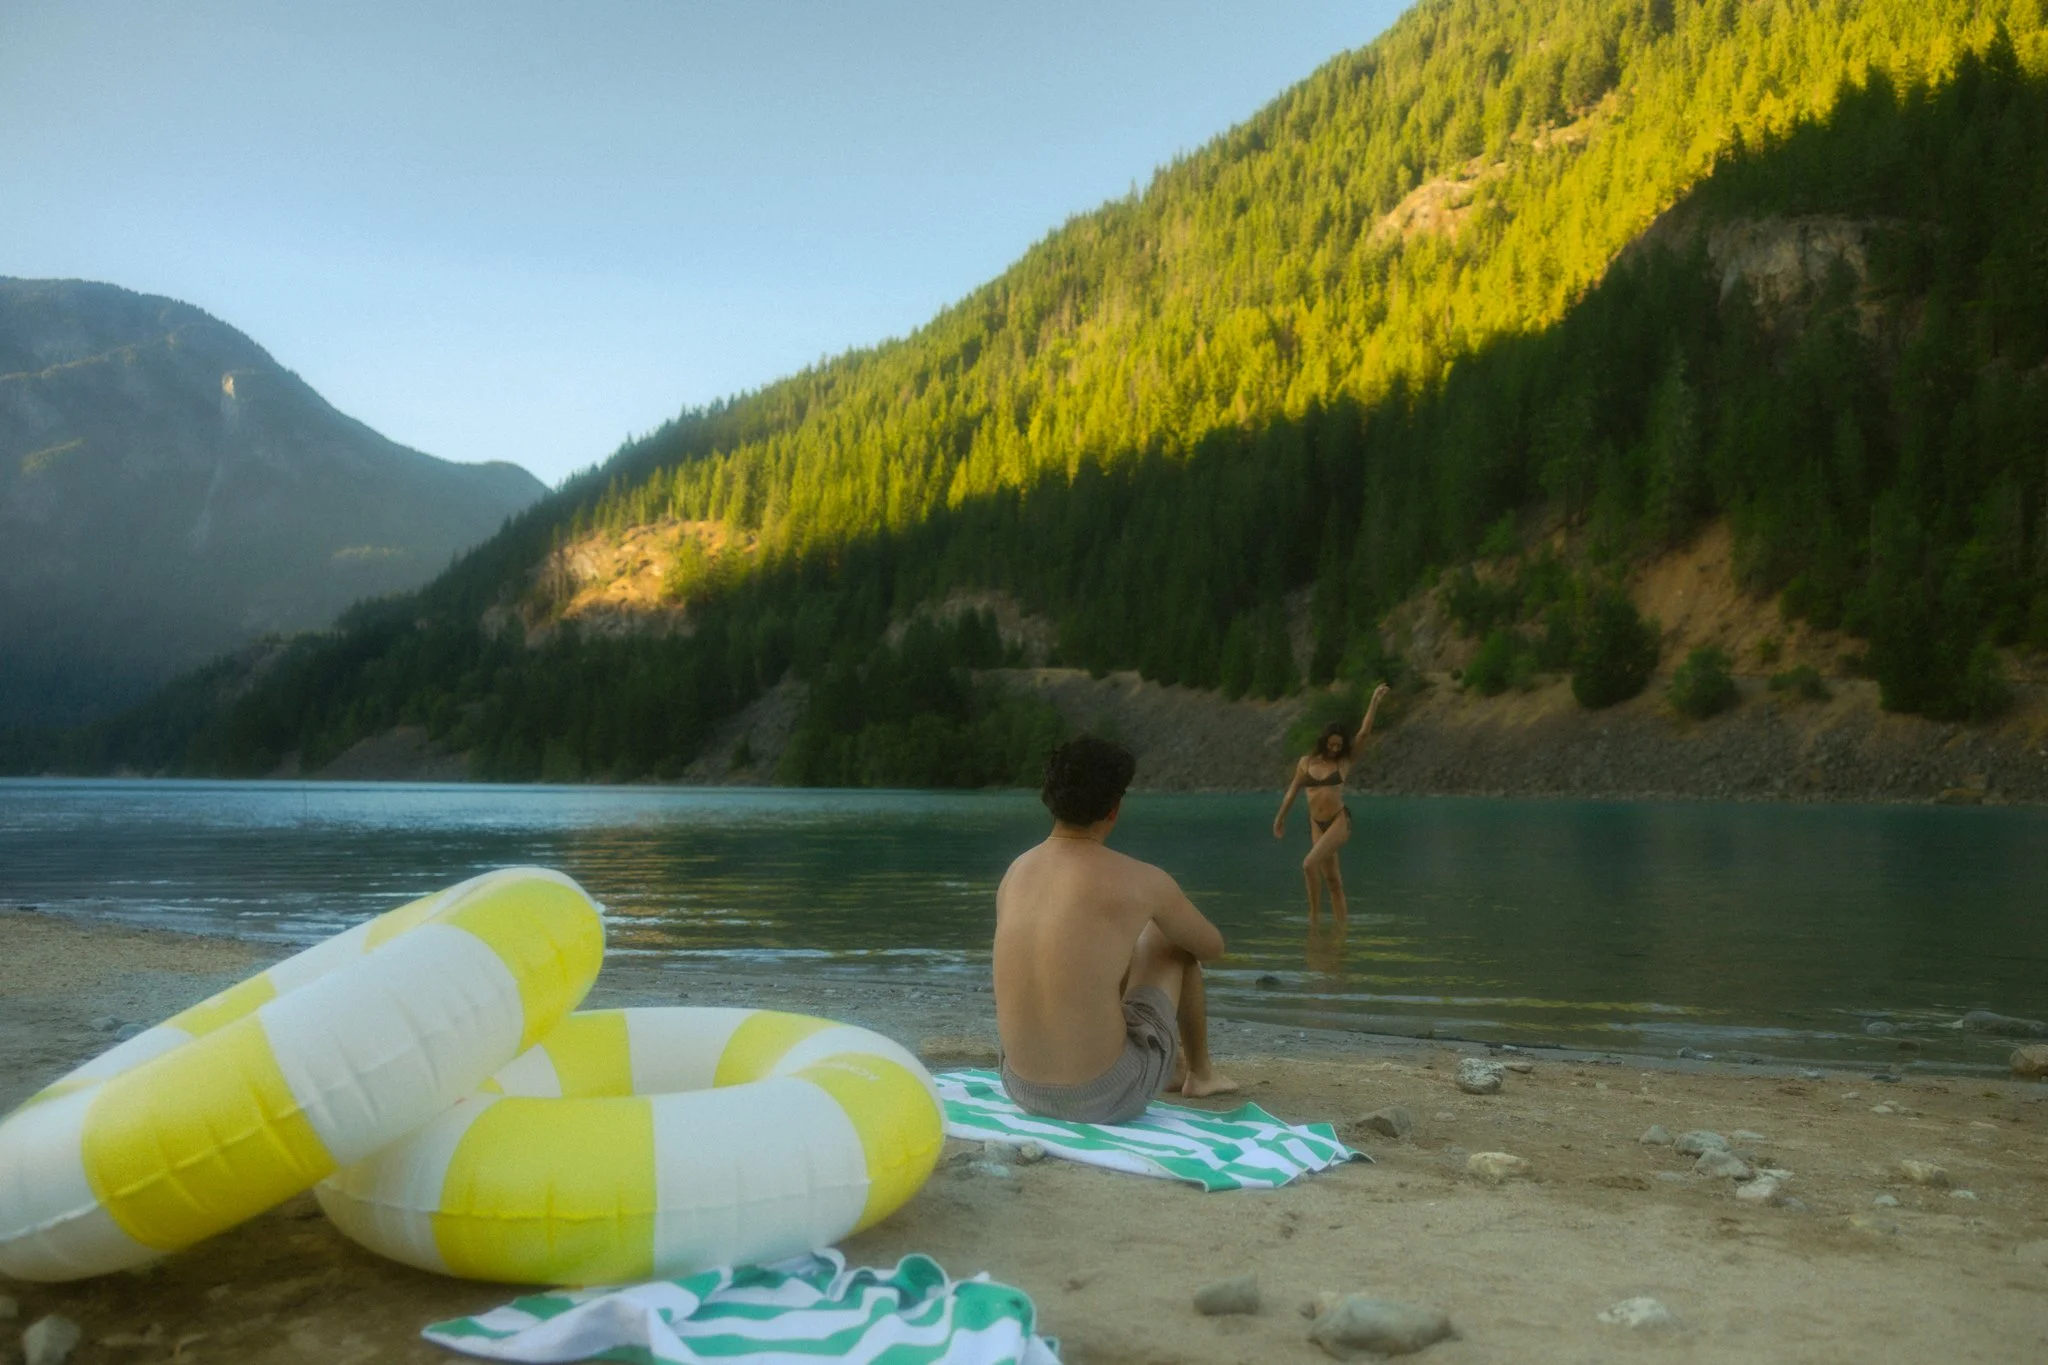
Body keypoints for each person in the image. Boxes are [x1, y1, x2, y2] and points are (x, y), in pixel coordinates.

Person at [992, 735, 1238, 1123]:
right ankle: (1201, 1074)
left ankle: (1172, 1068)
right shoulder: (1141, 879)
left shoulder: (1016, 871)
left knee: (1094, 948)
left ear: (1050, 800)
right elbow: (1211, 947)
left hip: (1021, 1087)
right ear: (1114, 808)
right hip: (1103, 1097)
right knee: (1169, 940)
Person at [1272, 683, 1392, 924]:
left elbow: (1364, 733)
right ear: (1324, 741)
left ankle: (1313, 920)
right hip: (1317, 824)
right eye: (1332, 744)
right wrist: (1280, 817)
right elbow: (1293, 791)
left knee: (1308, 864)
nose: (1335, 748)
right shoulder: (1306, 763)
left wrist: (1374, 702)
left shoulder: (1345, 762)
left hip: (1339, 821)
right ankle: (1341, 931)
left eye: (1339, 745)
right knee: (1334, 882)